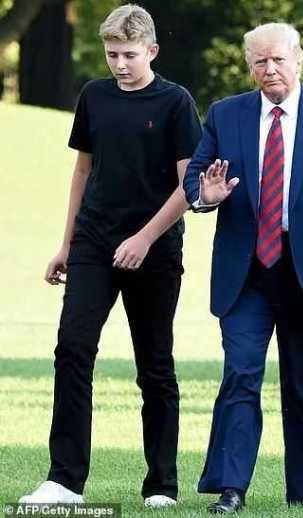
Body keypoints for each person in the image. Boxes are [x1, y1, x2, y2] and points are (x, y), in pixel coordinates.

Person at [182, 22, 303, 514]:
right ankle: (231, 488)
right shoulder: (226, 114)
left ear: (298, 60)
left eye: (277, 59)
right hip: (246, 272)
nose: (269, 69)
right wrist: (204, 195)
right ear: (249, 66)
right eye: (260, 61)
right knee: (241, 373)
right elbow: (195, 180)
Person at [19, 4, 202, 508]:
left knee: (154, 366)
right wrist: (67, 243)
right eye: (112, 54)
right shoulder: (94, 96)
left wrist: (144, 238)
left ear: (152, 50)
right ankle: (64, 481)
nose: (120, 64)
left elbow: (189, 185)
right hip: (94, 244)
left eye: (129, 55)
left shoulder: (176, 102)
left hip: (155, 250)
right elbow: (83, 171)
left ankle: (161, 485)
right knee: (72, 349)